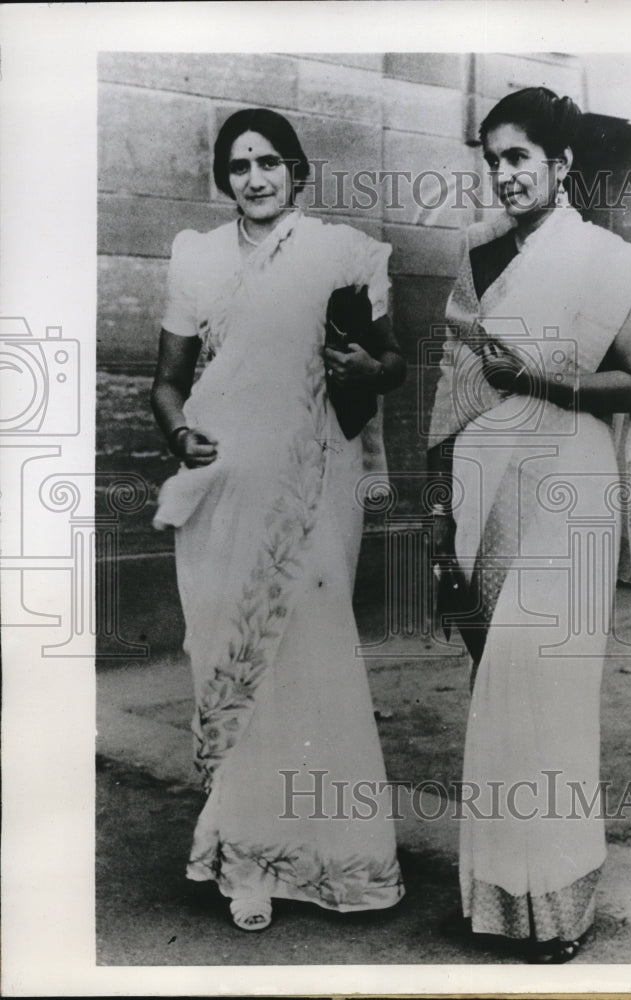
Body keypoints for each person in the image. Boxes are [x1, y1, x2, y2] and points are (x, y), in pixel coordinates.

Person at [427, 88, 631, 962]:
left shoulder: (604, 260)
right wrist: (437, 508)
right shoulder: (478, 255)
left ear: (561, 164)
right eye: (492, 159)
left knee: (544, 687)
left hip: (569, 484)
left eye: (519, 157)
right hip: (486, 483)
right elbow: (453, 387)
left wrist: (537, 380)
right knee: (497, 688)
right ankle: (498, 906)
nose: (504, 174)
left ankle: (559, 909)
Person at [151, 108, 406, 932]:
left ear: (298, 172)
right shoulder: (197, 258)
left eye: (268, 162)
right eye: (239, 166)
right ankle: (247, 858)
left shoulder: (340, 253)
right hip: (223, 491)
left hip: (309, 487)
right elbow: (167, 382)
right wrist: (179, 434)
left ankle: (340, 860)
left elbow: (390, 360)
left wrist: (369, 367)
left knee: (312, 651)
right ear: (224, 180)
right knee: (232, 659)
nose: (254, 178)